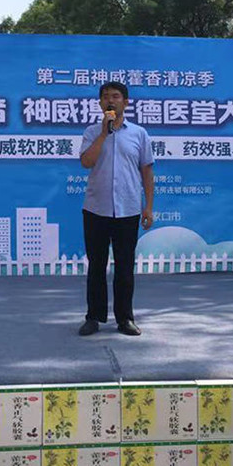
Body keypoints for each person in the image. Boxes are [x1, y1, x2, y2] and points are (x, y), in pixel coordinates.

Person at [78, 81, 155, 337]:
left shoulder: (139, 134)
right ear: (100, 103)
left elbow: (147, 171)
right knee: (96, 266)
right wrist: (104, 133)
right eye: (105, 97)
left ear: (126, 102)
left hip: (128, 210)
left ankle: (125, 319)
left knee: (124, 267)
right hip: (96, 209)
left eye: (115, 96)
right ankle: (93, 317)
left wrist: (148, 207)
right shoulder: (92, 132)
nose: (110, 101)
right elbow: (86, 162)